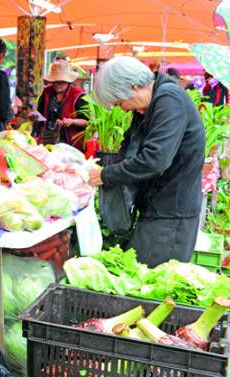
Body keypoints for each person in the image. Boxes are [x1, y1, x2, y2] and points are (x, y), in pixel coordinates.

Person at [88, 56, 205, 267]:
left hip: (171, 213)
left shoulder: (169, 100)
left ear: (134, 87)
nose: (123, 109)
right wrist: (108, 168)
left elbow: (155, 160)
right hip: (157, 207)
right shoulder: (148, 103)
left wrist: (106, 176)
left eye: (120, 102)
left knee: (149, 282)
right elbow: (130, 143)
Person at [36, 59, 88, 151]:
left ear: (68, 81)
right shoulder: (47, 92)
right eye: (55, 81)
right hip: (47, 139)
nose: (57, 84)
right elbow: (40, 115)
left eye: (61, 81)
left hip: (71, 144)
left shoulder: (78, 96)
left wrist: (72, 121)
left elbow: (88, 122)